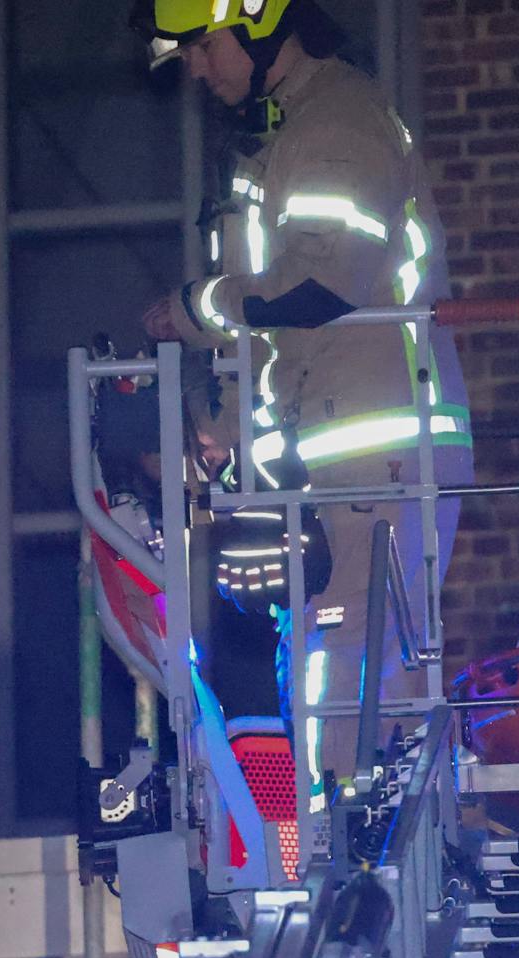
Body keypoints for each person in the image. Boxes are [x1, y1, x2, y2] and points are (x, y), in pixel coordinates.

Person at [133, 0, 474, 804]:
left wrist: (194, 305)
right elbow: (290, 331)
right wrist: (218, 428)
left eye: (200, 46)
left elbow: (320, 284)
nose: (195, 68)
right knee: (349, 662)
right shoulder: (292, 136)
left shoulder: (337, 124)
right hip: (339, 455)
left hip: (374, 454)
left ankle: (343, 846)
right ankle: (357, 834)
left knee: (348, 663)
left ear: (255, 23)